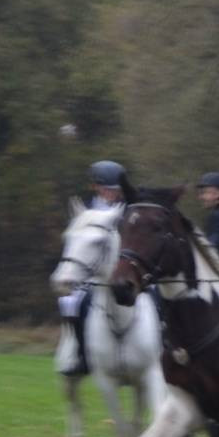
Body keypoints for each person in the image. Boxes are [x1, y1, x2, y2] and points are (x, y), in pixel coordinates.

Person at [55, 160, 127, 376]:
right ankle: (81, 356)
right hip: (92, 274)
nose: (111, 194)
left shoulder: (128, 208)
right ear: (95, 187)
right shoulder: (84, 210)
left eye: (114, 190)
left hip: (126, 271)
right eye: (106, 189)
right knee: (71, 303)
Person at [197, 172, 219, 250]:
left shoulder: (216, 216)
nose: (201, 197)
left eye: (205, 192)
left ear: (218, 194)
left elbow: (210, 247)